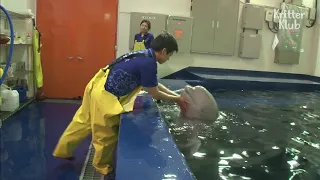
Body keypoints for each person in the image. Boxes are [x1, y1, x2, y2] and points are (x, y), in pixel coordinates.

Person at [52, 32, 188, 175]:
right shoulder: (149, 63)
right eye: (169, 56)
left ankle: (62, 150)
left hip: (96, 84)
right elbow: (154, 93)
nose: (168, 59)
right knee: (106, 134)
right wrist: (178, 100)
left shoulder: (143, 54)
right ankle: (102, 166)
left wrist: (177, 96)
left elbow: (154, 84)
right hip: (105, 95)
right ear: (164, 51)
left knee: (82, 121)